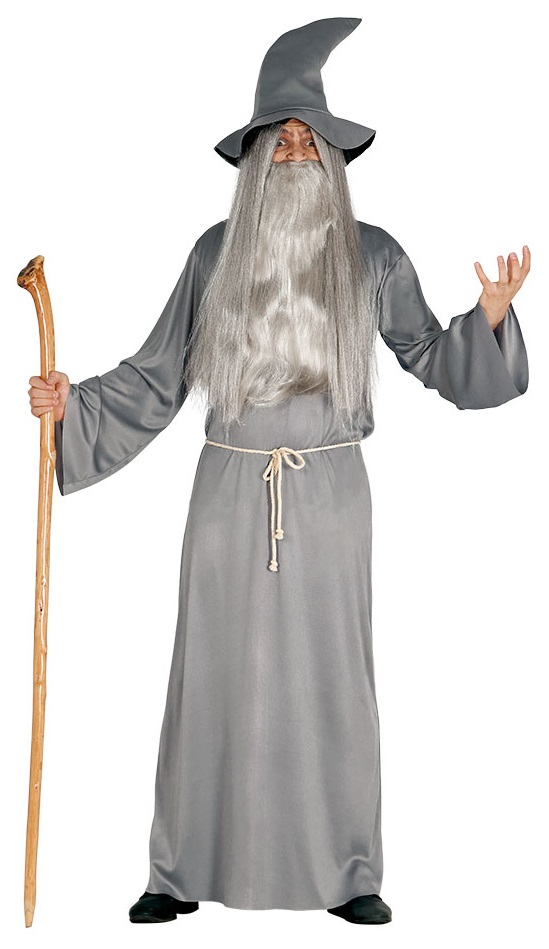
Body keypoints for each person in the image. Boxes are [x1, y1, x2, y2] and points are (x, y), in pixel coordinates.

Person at [27, 18, 529, 927]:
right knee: (210, 672)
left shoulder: (372, 253)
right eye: (280, 139)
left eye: (309, 139)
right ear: (254, 158)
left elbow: (426, 352)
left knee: (333, 673)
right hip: (227, 491)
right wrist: (73, 404)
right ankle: (179, 869)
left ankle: (348, 870)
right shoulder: (212, 253)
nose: (295, 152)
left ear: (332, 157)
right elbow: (157, 373)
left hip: (330, 495)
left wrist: (486, 320)